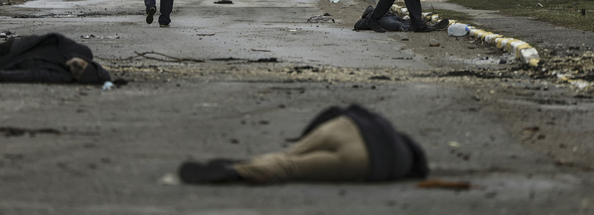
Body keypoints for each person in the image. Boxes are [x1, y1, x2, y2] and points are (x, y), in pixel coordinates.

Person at [178, 104, 429, 184]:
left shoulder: (384, 125)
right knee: (292, 168)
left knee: (288, 155)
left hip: (345, 126)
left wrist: (305, 138)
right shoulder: (401, 163)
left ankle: (262, 161)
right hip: (365, 161)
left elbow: (333, 111)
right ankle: (239, 171)